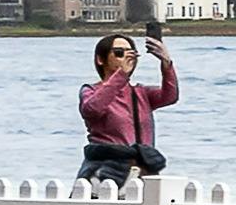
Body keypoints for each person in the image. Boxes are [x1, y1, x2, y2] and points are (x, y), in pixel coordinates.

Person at [76, 33, 179, 184]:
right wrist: (120, 75)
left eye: (131, 54)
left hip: (142, 167)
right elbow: (92, 109)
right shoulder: (90, 91)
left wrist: (166, 63)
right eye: (119, 53)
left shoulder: (140, 93)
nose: (126, 58)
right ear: (100, 59)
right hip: (105, 167)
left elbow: (170, 96)